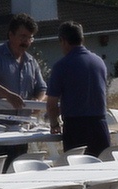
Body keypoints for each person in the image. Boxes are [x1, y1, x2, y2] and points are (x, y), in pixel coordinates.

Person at [0, 13, 47, 171]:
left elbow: (42, 89)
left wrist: (37, 102)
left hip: (19, 129)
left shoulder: (30, 61)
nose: (26, 41)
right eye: (22, 36)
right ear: (11, 35)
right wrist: (8, 95)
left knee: (15, 170)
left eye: (30, 38)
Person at [45, 20, 111, 157]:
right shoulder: (99, 62)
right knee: (102, 164)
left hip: (76, 127)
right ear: (82, 39)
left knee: (78, 166)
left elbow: (51, 104)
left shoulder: (62, 66)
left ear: (63, 41)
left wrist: (54, 124)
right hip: (100, 124)